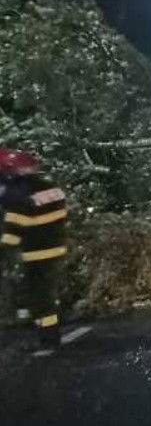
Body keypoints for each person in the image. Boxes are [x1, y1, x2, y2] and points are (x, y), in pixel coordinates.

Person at [0, 148, 67, 348]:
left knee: (38, 296)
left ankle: (49, 338)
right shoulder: (49, 186)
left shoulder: (17, 194)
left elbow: (14, 227)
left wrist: (4, 250)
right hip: (56, 246)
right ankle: (44, 329)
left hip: (36, 252)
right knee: (43, 292)